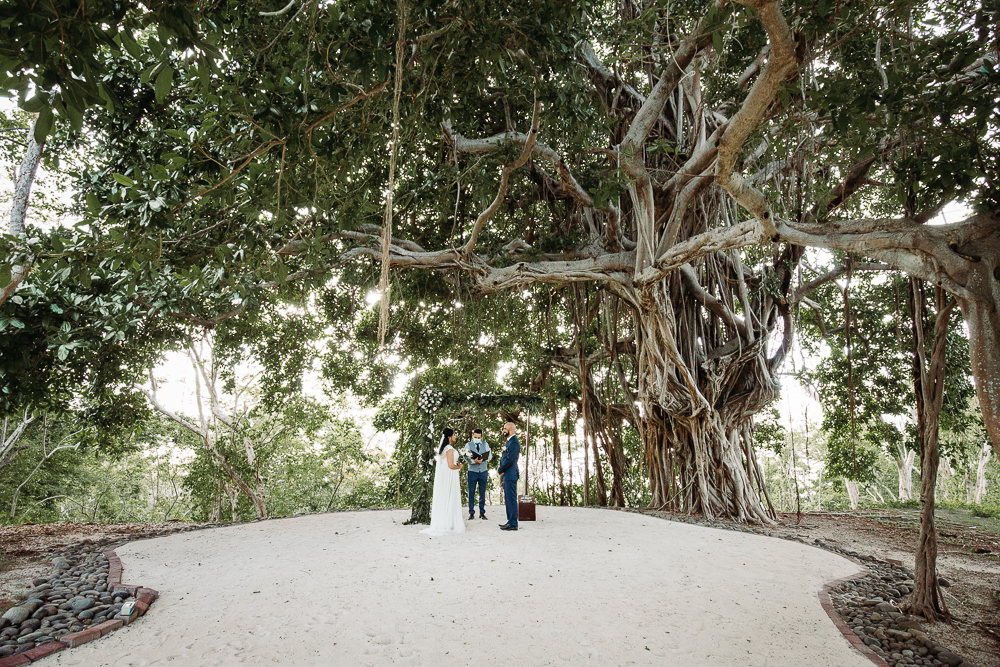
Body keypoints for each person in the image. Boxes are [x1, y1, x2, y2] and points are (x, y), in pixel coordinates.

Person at [420, 427, 466, 535]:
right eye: (454, 435)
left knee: (447, 496)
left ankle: (447, 521)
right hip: (450, 475)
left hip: (446, 475)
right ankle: (450, 523)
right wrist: (459, 467)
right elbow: (450, 465)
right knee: (450, 495)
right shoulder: (449, 449)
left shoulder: (443, 448)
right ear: (450, 437)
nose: (455, 436)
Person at [497, 421, 520, 531]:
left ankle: (513, 523)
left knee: (511, 498)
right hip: (507, 473)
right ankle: (510, 520)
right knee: (508, 499)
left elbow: (511, 459)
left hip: (510, 474)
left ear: (511, 430)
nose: (503, 430)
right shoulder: (509, 442)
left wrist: (501, 469)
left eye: (505, 429)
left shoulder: (514, 442)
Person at [464, 428, 491, 520]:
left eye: (478, 437)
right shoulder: (468, 445)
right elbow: (465, 458)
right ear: (473, 436)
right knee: (471, 493)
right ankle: (471, 513)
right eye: (475, 437)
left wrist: (483, 458)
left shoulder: (485, 444)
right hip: (472, 472)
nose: (477, 438)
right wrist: (474, 461)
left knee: (482, 493)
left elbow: (490, 456)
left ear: (481, 437)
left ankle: (482, 512)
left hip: (483, 471)